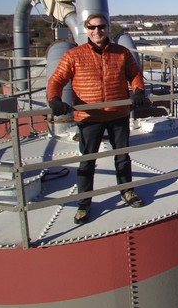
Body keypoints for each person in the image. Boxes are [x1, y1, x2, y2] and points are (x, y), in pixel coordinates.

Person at [47, 13, 147, 224]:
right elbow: (56, 80)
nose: (97, 31)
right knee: (87, 162)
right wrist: (54, 99)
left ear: (107, 28)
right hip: (89, 117)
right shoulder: (74, 55)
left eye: (101, 27)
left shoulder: (121, 53)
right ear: (87, 30)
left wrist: (138, 91)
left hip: (117, 114)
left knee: (122, 157)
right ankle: (84, 204)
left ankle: (126, 191)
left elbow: (135, 74)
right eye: (92, 28)